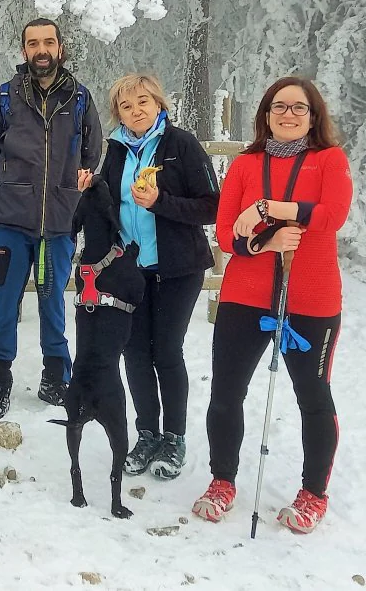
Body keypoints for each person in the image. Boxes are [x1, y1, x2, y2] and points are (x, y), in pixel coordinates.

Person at [192, 76, 352, 534]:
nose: (288, 114)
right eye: (279, 106)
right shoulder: (245, 164)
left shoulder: (329, 160)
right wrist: (266, 245)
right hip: (245, 294)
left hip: (311, 298)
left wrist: (266, 209)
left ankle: (313, 492)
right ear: (265, 114)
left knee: (313, 396)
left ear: (313, 115)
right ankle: (222, 481)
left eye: (299, 108)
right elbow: (226, 234)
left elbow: (330, 217)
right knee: (226, 392)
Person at [0, 18, 102, 419]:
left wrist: (68, 186)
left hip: (59, 225)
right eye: (33, 43)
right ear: (24, 50)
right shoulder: (6, 97)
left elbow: (92, 152)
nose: (41, 49)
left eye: (48, 42)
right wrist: (12, 184)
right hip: (12, 223)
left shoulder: (79, 98)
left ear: (60, 48)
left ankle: (54, 376)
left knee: (53, 304)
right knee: (5, 303)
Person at [100, 74, 219, 481]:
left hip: (177, 267)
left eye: (143, 102)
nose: (136, 111)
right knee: (134, 352)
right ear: (119, 113)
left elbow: (211, 206)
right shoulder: (115, 149)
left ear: (158, 103)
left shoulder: (181, 145)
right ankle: (147, 434)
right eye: (127, 106)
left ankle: (175, 437)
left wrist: (161, 202)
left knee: (166, 351)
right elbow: (107, 204)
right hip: (131, 268)